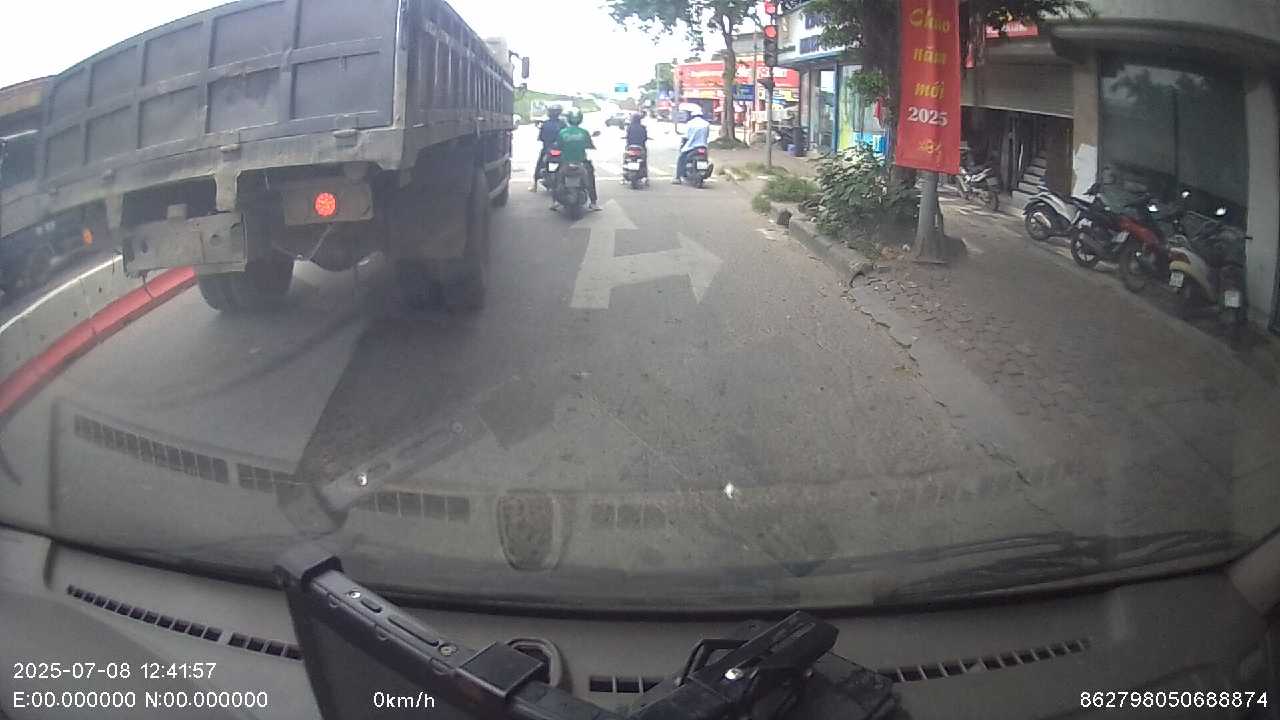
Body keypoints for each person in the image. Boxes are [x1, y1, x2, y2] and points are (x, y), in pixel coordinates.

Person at [553, 107, 601, 211]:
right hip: (581, 162)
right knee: (590, 178)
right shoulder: (584, 132)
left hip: (565, 162)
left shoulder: (562, 132)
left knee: (557, 178)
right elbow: (590, 145)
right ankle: (593, 202)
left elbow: (557, 146)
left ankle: (555, 201)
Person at [531, 104, 564, 192]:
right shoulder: (563, 124)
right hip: (560, 150)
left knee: (540, 163)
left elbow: (541, 138)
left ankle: (534, 185)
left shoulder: (546, 124)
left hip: (548, 149)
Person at [674, 106, 711, 184]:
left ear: (692, 116)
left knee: (681, 158)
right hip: (703, 147)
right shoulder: (706, 124)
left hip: (691, 147)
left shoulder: (690, 124)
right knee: (706, 158)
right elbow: (707, 136)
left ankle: (677, 178)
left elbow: (686, 136)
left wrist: (683, 144)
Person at [625, 112, 649, 180]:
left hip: (630, 147)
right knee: (644, 159)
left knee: (626, 157)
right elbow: (645, 138)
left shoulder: (629, 127)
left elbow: (627, 137)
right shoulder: (643, 127)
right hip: (640, 147)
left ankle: (625, 169)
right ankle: (644, 174)